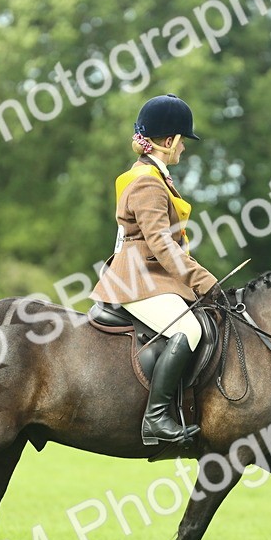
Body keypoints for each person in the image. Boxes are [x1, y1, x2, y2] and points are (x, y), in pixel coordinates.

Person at [90, 93, 219, 446]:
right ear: (168, 141)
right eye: (182, 142)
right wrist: (204, 280)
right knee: (189, 329)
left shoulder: (152, 176)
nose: (184, 150)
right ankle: (156, 418)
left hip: (150, 276)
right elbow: (161, 244)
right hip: (138, 279)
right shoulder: (147, 181)